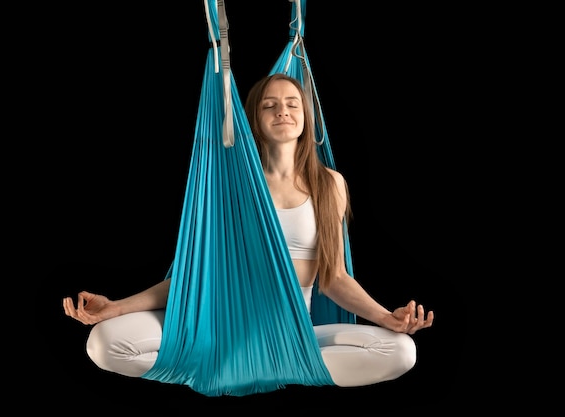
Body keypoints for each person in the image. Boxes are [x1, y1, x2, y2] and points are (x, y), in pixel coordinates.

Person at [63, 73, 434, 388]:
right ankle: (224, 367)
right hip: (218, 323)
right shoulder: (233, 186)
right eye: (269, 105)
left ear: (306, 116)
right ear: (253, 119)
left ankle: (259, 368)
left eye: (291, 103)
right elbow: (195, 279)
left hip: (289, 335)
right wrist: (115, 308)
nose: (282, 111)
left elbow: (334, 277)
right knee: (104, 344)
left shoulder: (330, 184)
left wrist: (386, 316)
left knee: (402, 352)